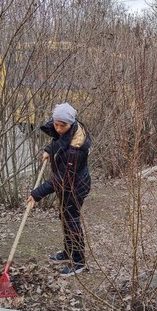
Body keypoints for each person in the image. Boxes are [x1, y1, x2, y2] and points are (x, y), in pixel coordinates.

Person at [27, 102, 91, 276]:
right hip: (67, 184)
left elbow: (62, 179)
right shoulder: (64, 127)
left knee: (71, 221)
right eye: (56, 124)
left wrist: (37, 193)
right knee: (65, 218)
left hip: (75, 186)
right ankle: (68, 252)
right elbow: (57, 139)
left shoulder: (77, 148)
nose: (58, 128)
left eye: (63, 125)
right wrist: (49, 149)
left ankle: (78, 261)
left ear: (71, 123)